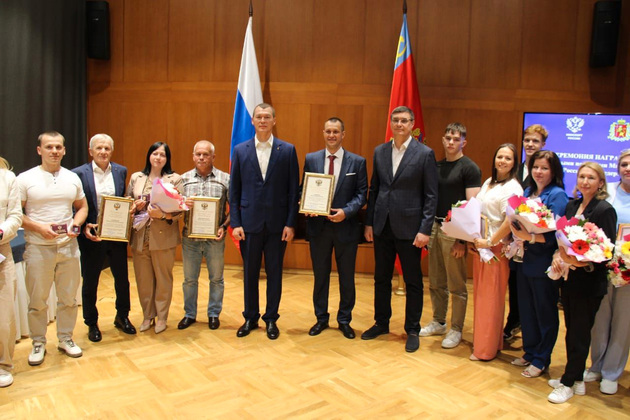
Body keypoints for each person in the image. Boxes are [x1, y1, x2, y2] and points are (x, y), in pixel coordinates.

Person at [362, 105, 438, 353]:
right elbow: (375, 189)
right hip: (382, 226)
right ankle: (381, 323)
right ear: (391, 123)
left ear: (412, 124)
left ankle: (412, 329)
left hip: (411, 228)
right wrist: (370, 222)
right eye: (395, 120)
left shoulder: (424, 153)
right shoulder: (380, 151)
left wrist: (425, 229)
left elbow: (430, 195)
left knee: (413, 281)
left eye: (404, 120)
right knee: (381, 278)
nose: (399, 124)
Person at [548, 162, 616, 404]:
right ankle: (577, 379)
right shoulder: (572, 205)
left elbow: (606, 252)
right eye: (582, 176)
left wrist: (578, 262)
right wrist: (558, 256)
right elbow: (563, 240)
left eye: (591, 177)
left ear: (600, 183)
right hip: (569, 280)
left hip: (589, 282)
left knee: (579, 332)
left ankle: (567, 383)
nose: (585, 181)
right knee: (572, 330)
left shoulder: (604, 209)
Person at [18, 131, 88, 365]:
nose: (54, 151)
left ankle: (65, 338)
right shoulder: (25, 179)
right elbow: (16, 214)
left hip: (68, 247)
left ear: (64, 150)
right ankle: (38, 342)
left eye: (58, 147)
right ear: (40, 150)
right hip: (38, 249)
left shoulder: (72, 177)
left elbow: (82, 207)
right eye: (49, 147)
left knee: (68, 298)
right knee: (38, 300)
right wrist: (39, 227)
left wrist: (76, 224)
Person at [229, 103, 299, 340]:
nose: (262, 120)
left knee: (274, 273)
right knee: (250, 273)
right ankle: (250, 317)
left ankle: (271, 319)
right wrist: (235, 223)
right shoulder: (240, 150)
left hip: (278, 226)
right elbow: (234, 191)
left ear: (274, 121)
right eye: (258, 117)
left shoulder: (287, 150)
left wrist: (290, 223)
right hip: (248, 225)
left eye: (267, 117)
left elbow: (293, 191)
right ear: (252, 121)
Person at [303, 117, 368, 339]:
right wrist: (307, 205)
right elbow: (304, 188)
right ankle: (321, 318)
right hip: (318, 228)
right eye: (328, 131)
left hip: (346, 228)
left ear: (343, 134)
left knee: (346, 278)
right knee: (320, 276)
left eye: (336, 132)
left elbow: (361, 194)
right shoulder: (311, 159)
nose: (332, 135)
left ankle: (344, 320)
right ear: (323, 133)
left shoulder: (357, 162)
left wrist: (346, 212)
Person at [422, 123, 481, 349]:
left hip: (455, 232)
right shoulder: (436, 166)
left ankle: (456, 328)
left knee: (456, 284)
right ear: (443, 140)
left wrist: (462, 240)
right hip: (435, 228)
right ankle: (438, 321)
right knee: (436, 280)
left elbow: (472, 207)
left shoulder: (470, 168)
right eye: (448, 138)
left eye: (456, 139)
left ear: (464, 142)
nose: (451, 142)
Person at [72, 134, 136, 342]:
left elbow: (121, 199)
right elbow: (73, 206)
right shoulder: (78, 174)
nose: (103, 152)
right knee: (90, 281)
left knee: (122, 279)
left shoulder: (120, 171)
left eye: (107, 148)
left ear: (112, 151)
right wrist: (83, 226)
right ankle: (91, 322)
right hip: (91, 235)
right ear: (90, 151)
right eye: (99, 148)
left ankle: (122, 316)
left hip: (116, 234)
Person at [509, 150, 568, 377]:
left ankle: (542, 358)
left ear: (553, 171)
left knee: (544, 311)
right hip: (524, 259)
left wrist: (531, 237)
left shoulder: (558, 195)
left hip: (544, 261)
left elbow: (556, 234)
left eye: (544, 168)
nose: (539, 172)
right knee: (527, 309)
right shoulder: (527, 191)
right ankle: (531, 351)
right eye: (535, 167)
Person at [470, 144, 523, 361]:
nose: (502, 161)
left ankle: (485, 350)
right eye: (500, 156)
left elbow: (510, 221)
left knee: (491, 300)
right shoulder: (489, 182)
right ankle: (487, 342)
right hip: (481, 247)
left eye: (508, 158)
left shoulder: (513, 188)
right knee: (482, 299)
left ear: (514, 163)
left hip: (495, 249)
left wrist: (490, 241)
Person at [584, 150, 630, 395]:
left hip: (628, 271)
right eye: (624, 164)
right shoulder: (607, 191)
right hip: (603, 265)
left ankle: (612, 372)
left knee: (623, 322)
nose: (628, 169)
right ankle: (596, 366)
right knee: (600, 319)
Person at [127, 142, 183, 334]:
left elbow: (181, 209)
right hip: (140, 236)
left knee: (163, 278)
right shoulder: (137, 177)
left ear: (167, 159)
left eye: (162, 155)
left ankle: (162, 317)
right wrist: (134, 207)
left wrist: (164, 215)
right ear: (149, 155)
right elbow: (127, 203)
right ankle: (147, 315)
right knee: (143, 279)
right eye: (155, 153)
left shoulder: (174, 179)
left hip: (163, 236)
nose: (158, 157)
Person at [178, 140, 229, 331]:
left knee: (216, 279)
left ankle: (214, 314)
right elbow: (175, 208)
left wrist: (224, 226)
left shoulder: (225, 179)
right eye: (198, 154)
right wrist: (183, 204)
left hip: (215, 238)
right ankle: (189, 314)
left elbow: (235, 208)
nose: (201, 157)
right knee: (189, 279)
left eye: (205, 154)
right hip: (190, 239)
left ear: (213, 157)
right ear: (193, 156)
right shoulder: (183, 180)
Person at [504, 124, 549, 341]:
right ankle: (515, 321)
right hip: (514, 237)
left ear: (543, 144)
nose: (530, 144)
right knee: (515, 284)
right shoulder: (515, 168)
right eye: (527, 140)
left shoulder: (547, 170)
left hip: (536, 240)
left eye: (535, 141)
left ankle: (529, 329)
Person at [0, 156, 22, 387]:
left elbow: (15, 216)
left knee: (3, 316)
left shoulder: (7, 177)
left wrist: (0, 232)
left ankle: (3, 363)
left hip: (1, 250)